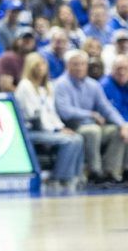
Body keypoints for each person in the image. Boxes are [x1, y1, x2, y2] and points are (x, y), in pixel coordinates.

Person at [54, 49, 127, 185]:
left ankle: (110, 172)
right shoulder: (60, 84)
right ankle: (95, 172)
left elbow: (106, 108)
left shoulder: (93, 85)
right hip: (70, 126)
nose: (79, 67)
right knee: (93, 130)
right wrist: (91, 114)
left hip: (93, 125)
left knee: (118, 131)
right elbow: (65, 112)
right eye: (75, 64)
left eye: (82, 64)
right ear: (67, 65)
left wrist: (122, 124)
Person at [15, 52, 83, 191]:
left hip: (47, 128)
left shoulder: (48, 87)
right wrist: (56, 130)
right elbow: (33, 114)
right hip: (30, 130)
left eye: (43, 64)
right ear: (31, 67)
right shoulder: (25, 85)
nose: (41, 68)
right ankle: (58, 178)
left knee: (77, 138)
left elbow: (52, 113)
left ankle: (74, 177)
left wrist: (61, 127)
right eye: (38, 65)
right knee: (68, 141)